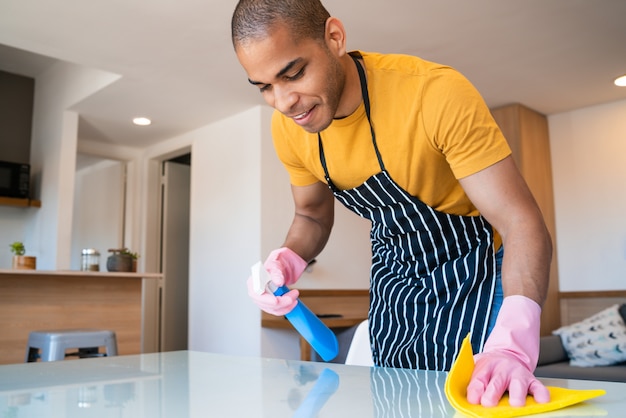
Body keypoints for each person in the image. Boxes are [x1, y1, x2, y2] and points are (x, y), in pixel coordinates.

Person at [231, 0, 552, 408]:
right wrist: (286, 260)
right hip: (395, 275)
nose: (282, 102)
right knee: (394, 401)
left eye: (293, 74)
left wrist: (515, 340)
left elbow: (521, 222)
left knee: (475, 403)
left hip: (476, 270)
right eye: (263, 86)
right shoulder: (290, 129)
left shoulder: (433, 93)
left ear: (334, 38)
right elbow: (311, 214)